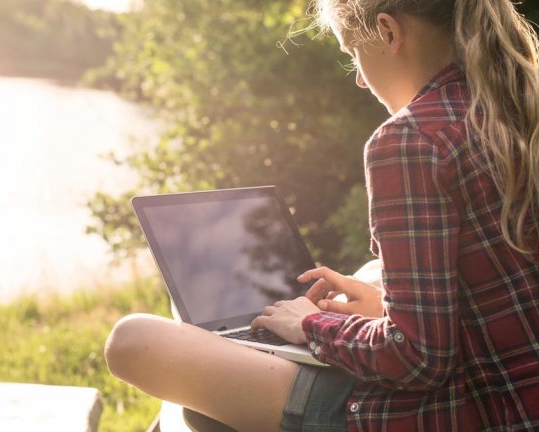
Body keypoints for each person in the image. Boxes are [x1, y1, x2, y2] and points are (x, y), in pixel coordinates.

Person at [104, 0, 539, 430]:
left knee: (134, 340)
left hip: (461, 411)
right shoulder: (516, 109)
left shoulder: (412, 138)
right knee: (369, 275)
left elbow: (418, 360)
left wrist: (312, 326)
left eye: (353, 55)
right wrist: (381, 311)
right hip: (515, 393)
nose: (360, 82)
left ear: (388, 32)